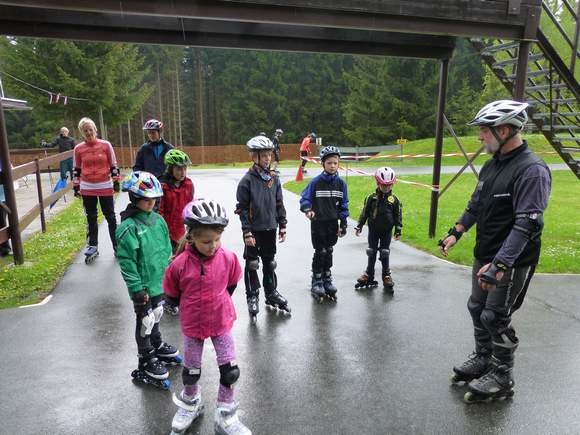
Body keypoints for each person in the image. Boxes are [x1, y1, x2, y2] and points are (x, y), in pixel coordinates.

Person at [440, 100, 551, 403]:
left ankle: (503, 375)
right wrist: (456, 232)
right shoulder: (491, 165)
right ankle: (483, 358)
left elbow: (527, 224)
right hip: (485, 253)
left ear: (503, 130)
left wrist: (500, 264)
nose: (480, 137)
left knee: (495, 316)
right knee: (477, 307)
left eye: (484, 131)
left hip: (511, 261)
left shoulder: (532, 170)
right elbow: (476, 205)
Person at [164, 199, 252, 435]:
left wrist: (218, 303)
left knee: (230, 370)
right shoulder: (179, 264)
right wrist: (175, 304)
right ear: (191, 237)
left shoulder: (228, 258)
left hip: (221, 321)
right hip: (193, 324)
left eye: (217, 239)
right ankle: (191, 404)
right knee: (191, 371)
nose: (213, 246)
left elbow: (231, 283)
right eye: (206, 241)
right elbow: (171, 291)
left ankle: (225, 414)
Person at [116, 171, 181, 390]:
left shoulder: (158, 220)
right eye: (146, 199)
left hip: (158, 282)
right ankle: (145, 357)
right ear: (134, 198)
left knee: (157, 314)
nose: (151, 203)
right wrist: (136, 289)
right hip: (142, 287)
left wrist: (171, 275)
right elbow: (126, 261)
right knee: (145, 320)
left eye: (154, 199)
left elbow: (166, 250)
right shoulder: (128, 227)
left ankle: (156, 344)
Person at [235, 135, 290, 323]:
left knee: (269, 262)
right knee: (252, 263)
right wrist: (246, 232)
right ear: (254, 156)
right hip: (253, 230)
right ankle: (252, 296)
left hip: (270, 227)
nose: (268, 158)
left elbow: (279, 202)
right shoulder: (247, 181)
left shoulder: (274, 178)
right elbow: (242, 209)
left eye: (269, 155)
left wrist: (283, 224)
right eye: (264, 155)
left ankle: (271, 292)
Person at [299, 145, 349, 302]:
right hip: (318, 223)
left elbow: (344, 205)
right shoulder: (316, 182)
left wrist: (344, 224)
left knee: (329, 250)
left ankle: (327, 278)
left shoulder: (341, 184)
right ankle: (317, 280)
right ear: (323, 164)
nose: (332, 166)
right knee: (320, 251)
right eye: (329, 163)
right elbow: (305, 198)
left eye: (335, 163)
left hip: (332, 223)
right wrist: (308, 209)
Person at [73, 117, 120, 260]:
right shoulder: (78, 149)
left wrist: (116, 181)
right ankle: (92, 246)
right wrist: (76, 186)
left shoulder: (106, 145)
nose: (88, 132)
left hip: (105, 184)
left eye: (90, 129)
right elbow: (76, 168)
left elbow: (113, 164)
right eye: (85, 130)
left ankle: (117, 246)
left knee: (110, 217)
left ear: (95, 129)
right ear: (82, 133)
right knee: (91, 217)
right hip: (87, 186)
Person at [354, 167, 402, 291]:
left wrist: (398, 230)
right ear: (377, 183)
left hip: (387, 231)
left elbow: (398, 216)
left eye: (389, 185)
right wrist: (359, 225)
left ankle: (386, 275)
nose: (386, 188)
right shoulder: (372, 197)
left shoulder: (395, 200)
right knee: (371, 251)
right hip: (373, 230)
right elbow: (364, 213)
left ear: (393, 184)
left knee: (385, 252)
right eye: (383, 185)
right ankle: (368, 274)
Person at [158, 149, 194, 254]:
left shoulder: (188, 184)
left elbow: (190, 207)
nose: (183, 173)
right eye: (179, 169)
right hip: (166, 232)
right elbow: (159, 211)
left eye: (184, 169)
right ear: (170, 169)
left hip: (183, 232)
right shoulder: (163, 186)